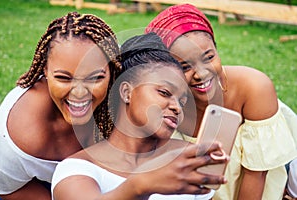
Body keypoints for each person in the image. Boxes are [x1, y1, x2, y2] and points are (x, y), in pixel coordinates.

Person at [51, 32, 229, 200]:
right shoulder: (78, 169)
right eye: (164, 92)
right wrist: (141, 184)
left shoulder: (187, 161)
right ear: (126, 92)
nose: (176, 107)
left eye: (182, 101)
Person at [145, 4, 297, 200]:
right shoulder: (162, 102)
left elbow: (257, 173)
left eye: (208, 57)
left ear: (216, 49)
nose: (201, 73)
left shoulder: (253, 87)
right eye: (184, 66)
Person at [0, 12, 122, 200]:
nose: (79, 92)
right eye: (63, 78)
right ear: (45, 70)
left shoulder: (126, 95)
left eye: (95, 78)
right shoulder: (18, 132)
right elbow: (8, 189)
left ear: (111, 71)